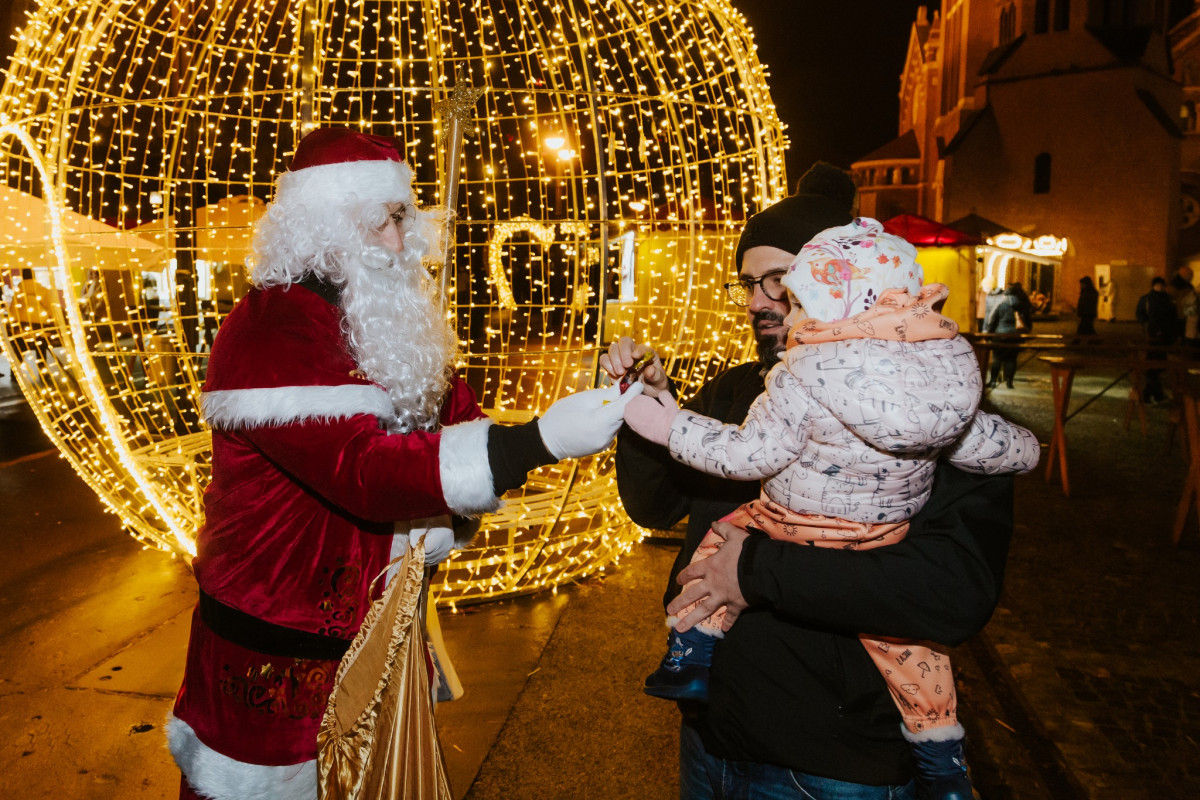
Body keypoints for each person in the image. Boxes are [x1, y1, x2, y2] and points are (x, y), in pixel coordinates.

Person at [166, 127, 643, 800]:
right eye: (386, 220)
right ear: (326, 227)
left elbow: (453, 420)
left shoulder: (377, 318)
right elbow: (363, 472)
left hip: (376, 634)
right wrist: (536, 441)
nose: (402, 241)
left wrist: (597, 399)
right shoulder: (275, 329)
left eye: (403, 217)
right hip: (278, 653)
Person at [604, 177, 1019, 800]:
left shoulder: (932, 410)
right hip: (713, 739)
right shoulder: (741, 387)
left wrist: (759, 571)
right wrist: (648, 410)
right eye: (748, 283)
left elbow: (953, 592)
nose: (757, 302)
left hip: (835, 765)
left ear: (843, 280)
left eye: (779, 280)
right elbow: (654, 506)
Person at [1136, 276, 1178, 405]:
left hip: (1165, 336)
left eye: (1161, 285)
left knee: (1158, 365)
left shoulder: (1169, 299)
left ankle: (1148, 394)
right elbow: (1140, 313)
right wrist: (1147, 324)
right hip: (1152, 336)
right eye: (1157, 285)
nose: (1160, 287)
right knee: (1154, 364)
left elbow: (1173, 317)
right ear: (1153, 286)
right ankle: (1155, 394)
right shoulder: (1147, 299)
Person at [984, 283, 1024, 389]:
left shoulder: (1001, 303)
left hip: (999, 335)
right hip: (1014, 335)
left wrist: (988, 334)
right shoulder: (1019, 304)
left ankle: (993, 381)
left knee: (997, 358)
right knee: (1011, 359)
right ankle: (1009, 382)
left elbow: (992, 320)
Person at [1168, 266, 1197, 345]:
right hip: (1183, 313)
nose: (1192, 277)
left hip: (1182, 313)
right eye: (1190, 275)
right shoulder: (1183, 286)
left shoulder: (1175, 284)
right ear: (1185, 275)